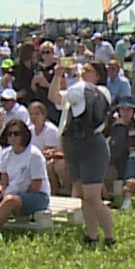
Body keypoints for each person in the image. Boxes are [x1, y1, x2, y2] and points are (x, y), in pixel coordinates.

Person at [51, 74, 115, 247]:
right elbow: (54, 97)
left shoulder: (98, 94)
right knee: (82, 195)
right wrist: (59, 72)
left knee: (93, 196)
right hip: (72, 144)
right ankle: (91, 235)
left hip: (91, 145)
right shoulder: (73, 95)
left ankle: (110, 236)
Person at [0, 118, 51, 244]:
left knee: (10, 200)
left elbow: (36, 186)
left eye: (16, 134)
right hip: (11, 194)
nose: (12, 137)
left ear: (24, 135)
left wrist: (13, 196)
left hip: (37, 196)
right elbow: (4, 182)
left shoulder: (34, 155)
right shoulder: (6, 154)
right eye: (9, 134)